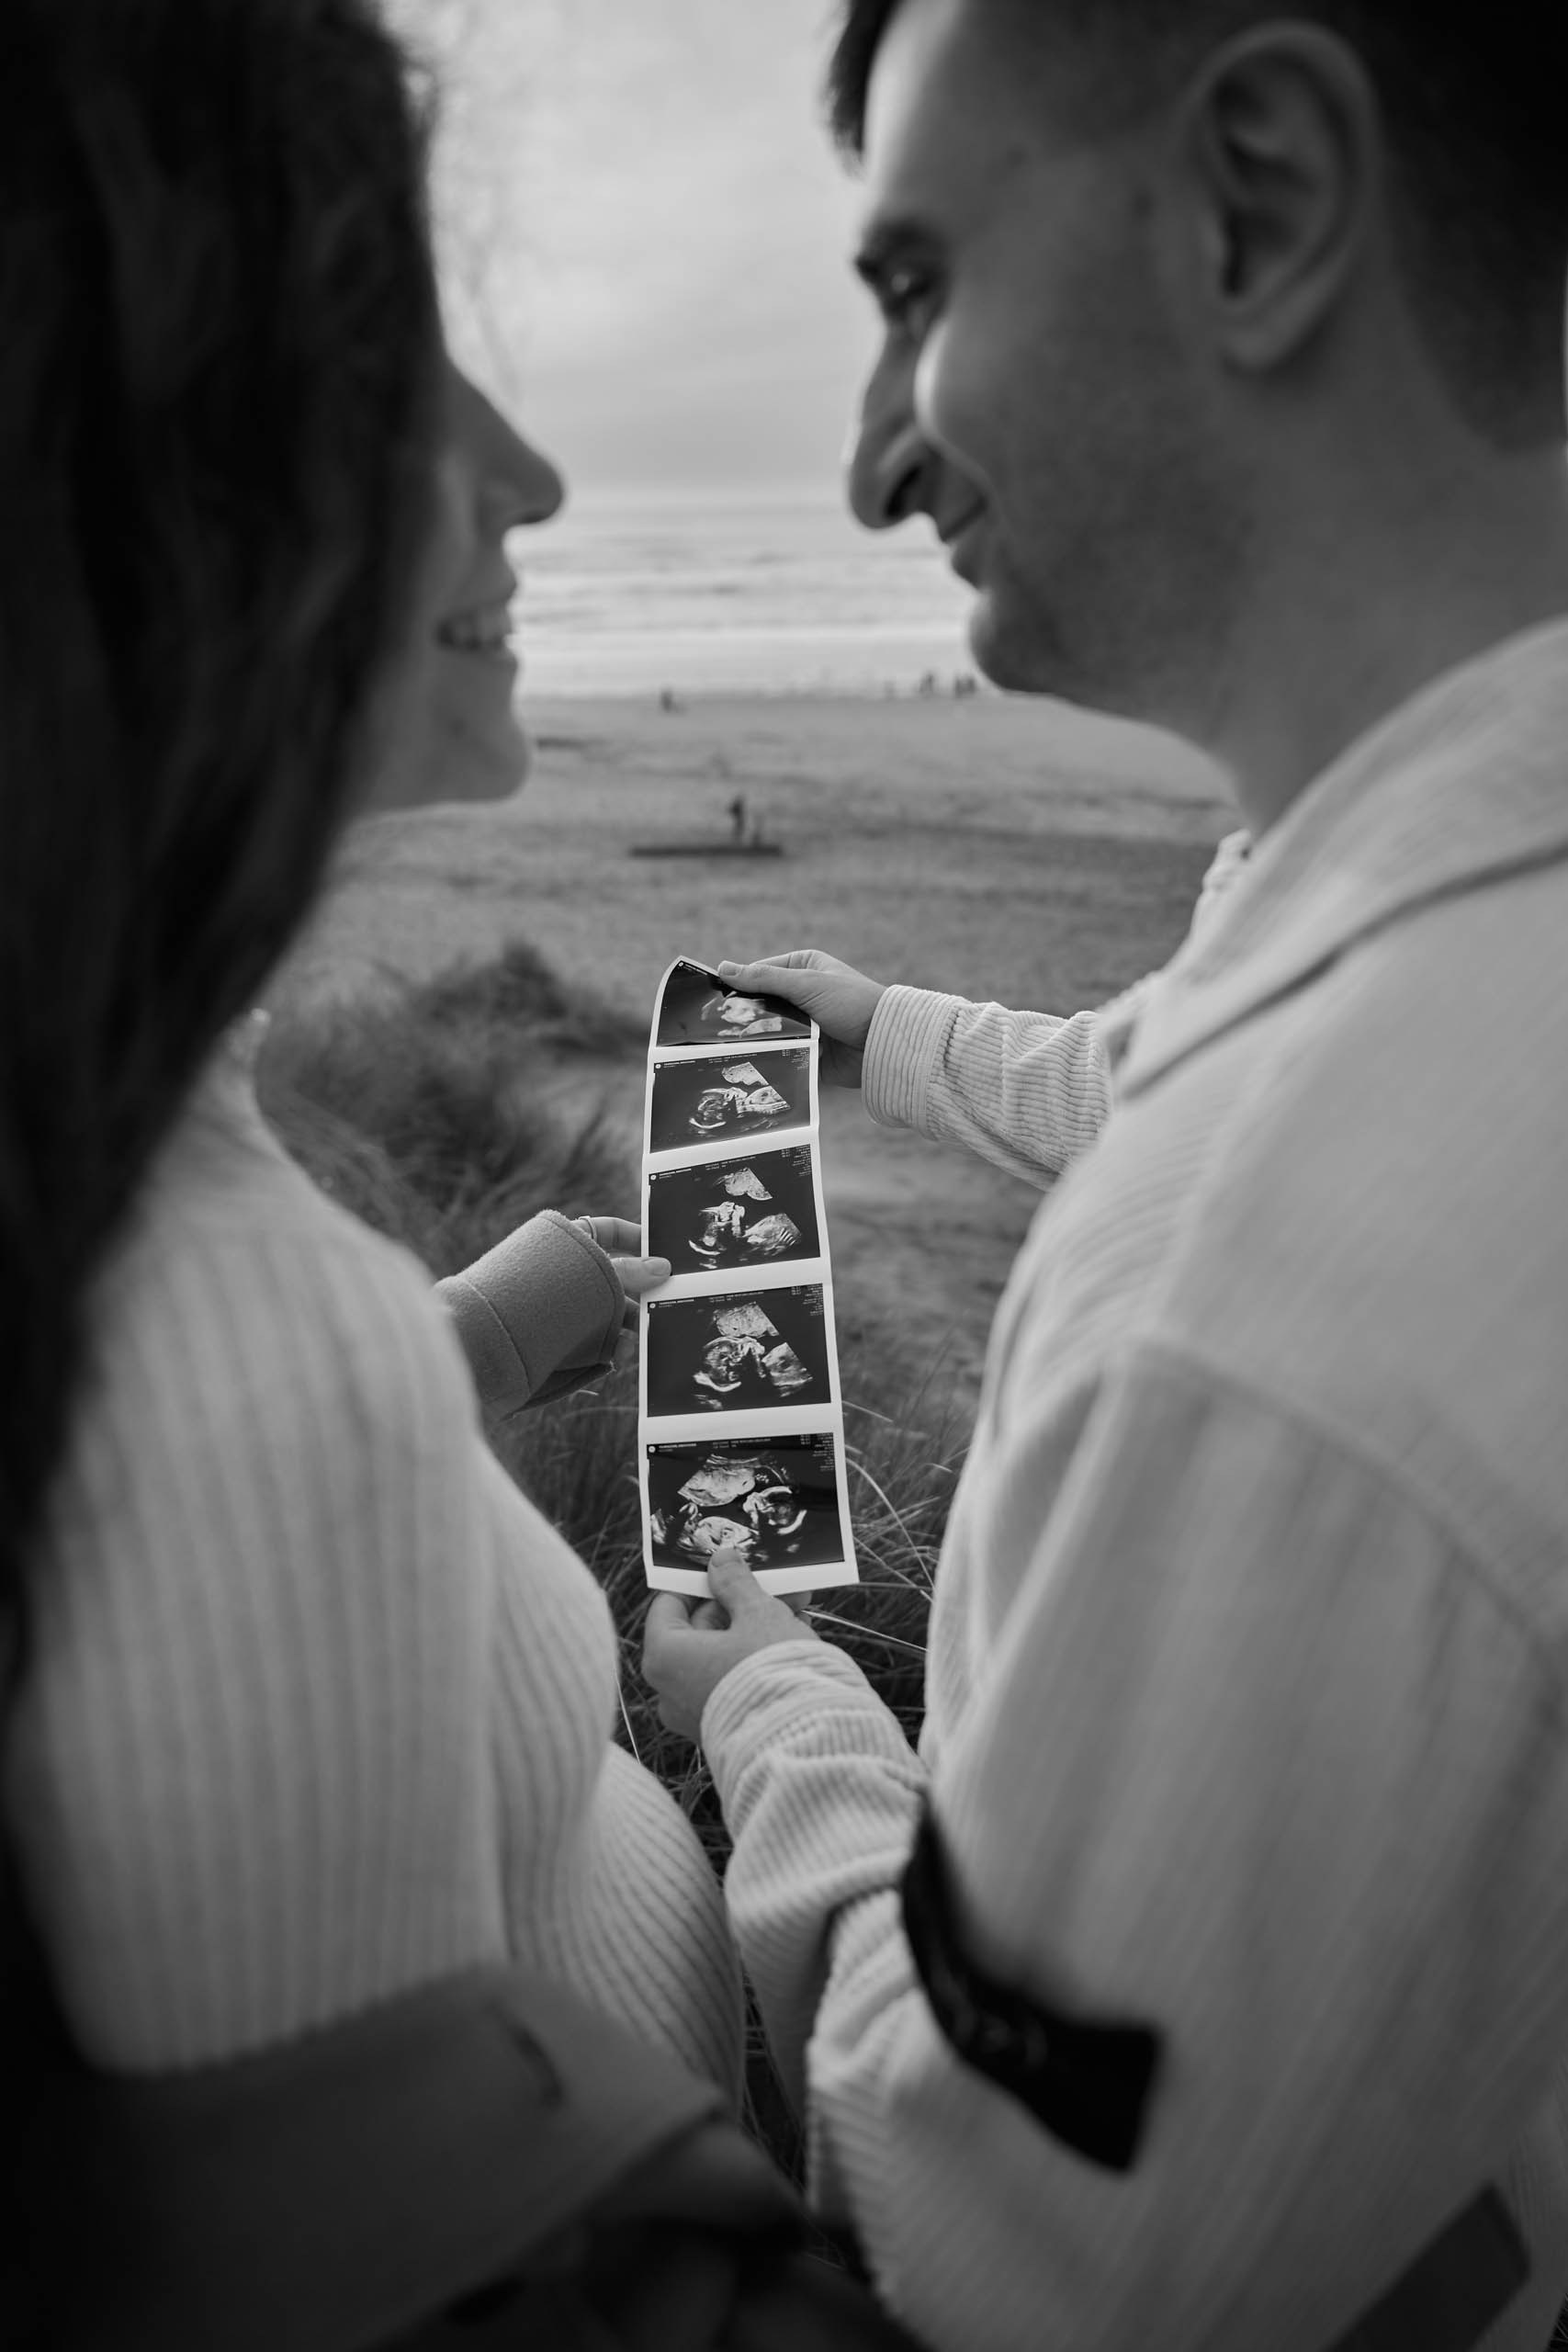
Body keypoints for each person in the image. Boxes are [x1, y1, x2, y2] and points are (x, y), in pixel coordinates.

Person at [643, 3, 1568, 2348]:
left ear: (1252, 201)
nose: (872, 461)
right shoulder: (1435, 910)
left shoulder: (1249, 1307)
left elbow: (1003, 2253)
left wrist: (773, 1715)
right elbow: (1152, 1060)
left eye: (916, 287)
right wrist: (879, 1023)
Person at [0, 5, 806, 2339]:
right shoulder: (231, 1340)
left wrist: (499, 1324)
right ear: (117, 460)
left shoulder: (111, 1119)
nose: (528, 475)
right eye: (390, 356)